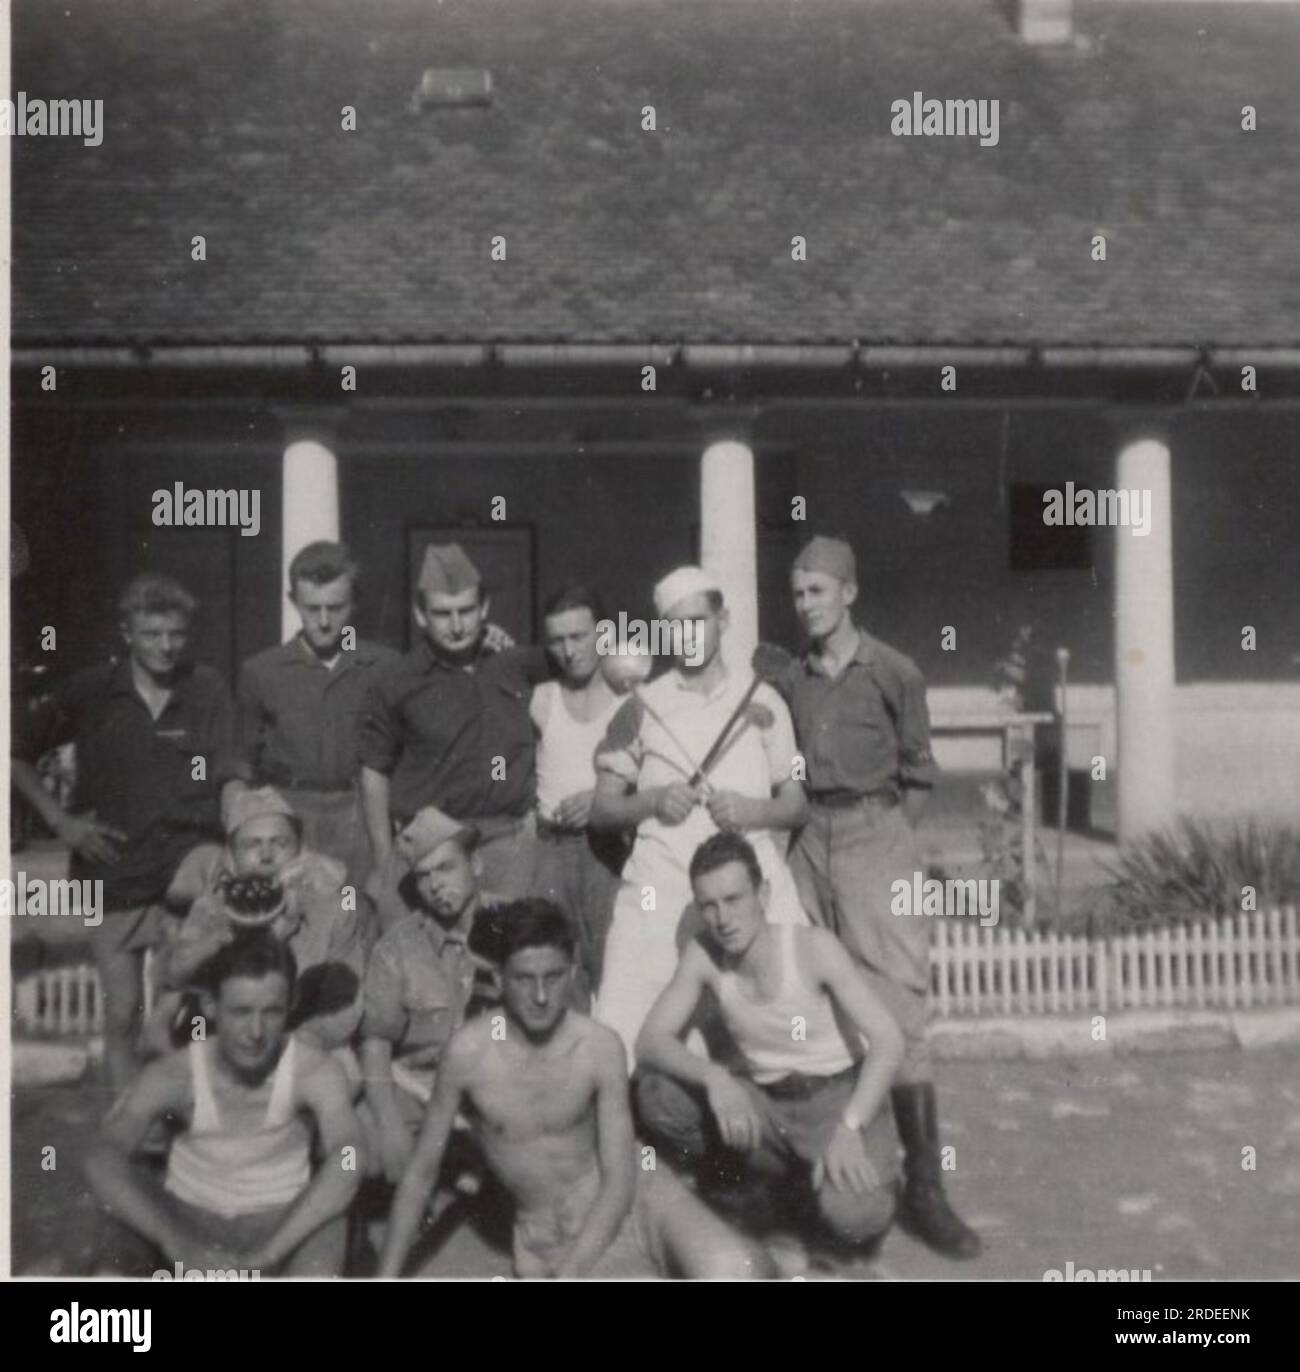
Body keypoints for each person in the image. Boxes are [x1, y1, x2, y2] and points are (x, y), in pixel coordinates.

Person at [768, 533, 980, 1258]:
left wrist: (887, 846)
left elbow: (920, 772)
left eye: (818, 592)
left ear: (849, 593)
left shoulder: (894, 671)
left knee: (896, 1007)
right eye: (797, 594)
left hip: (873, 831)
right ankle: (820, 1180)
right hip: (806, 838)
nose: (806, 606)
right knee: (814, 1000)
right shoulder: (790, 675)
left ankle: (924, 1189)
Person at [379, 899, 772, 1280]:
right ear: (498, 979)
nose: (540, 996)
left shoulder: (599, 1046)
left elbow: (619, 1177)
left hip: (638, 1194)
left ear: (570, 972)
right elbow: (420, 1175)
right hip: (552, 1235)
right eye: (524, 979)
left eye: (553, 977)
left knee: (736, 1268)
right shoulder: (468, 1054)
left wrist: (570, 1274)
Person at [10, 574, 242, 1090]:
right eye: (152, 634)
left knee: (196, 983)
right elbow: (16, 752)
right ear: (126, 633)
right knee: (121, 1014)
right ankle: (127, 1123)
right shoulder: (92, 690)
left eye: (176, 634)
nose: (165, 646)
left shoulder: (205, 688)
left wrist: (238, 834)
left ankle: (190, 1107)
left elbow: (228, 772)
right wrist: (60, 821)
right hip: (108, 865)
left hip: (185, 852)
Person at [636, 832, 904, 1252]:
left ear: (762, 892)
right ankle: (750, 1187)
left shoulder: (812, 949)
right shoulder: (704, 955)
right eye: (709, 905)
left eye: (734, 899)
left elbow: (889, 1040)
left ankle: (846, 1174)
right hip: (768, 1106)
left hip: (837, 1101)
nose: (723, 918)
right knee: (658, 1093)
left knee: (855, 1218)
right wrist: (715, 1079)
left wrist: (851, 1128)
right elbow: (650, 1040)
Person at [589, 566, 809, 1065]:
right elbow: (603, 809)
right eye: (673, 625)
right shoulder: (640, 704)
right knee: (628, 1034)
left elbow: (796, 803)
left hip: (746, 890)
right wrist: (652, 801)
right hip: (660, 890)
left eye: (698, 621)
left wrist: (752, 810)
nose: (687, 636)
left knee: (777, 1034)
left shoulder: (765, 699)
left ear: (723, 620)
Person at [84, 934, 364, 1277]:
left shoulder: (314, 1070)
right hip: (186, 1222)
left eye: (272, 1012)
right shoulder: (175, 1073)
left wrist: (266, 1255)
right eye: (241, 1012)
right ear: (210, 1007)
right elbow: (101, 1155)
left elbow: (351, 1157)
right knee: (111, 1266)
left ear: (291, 1004)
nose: (256, 1031)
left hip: (280, 1225)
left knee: (331, 1221)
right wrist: (178, 1245)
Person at [359, 543, 546, 929]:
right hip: (433, 847)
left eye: (466, 611)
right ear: (419, 615)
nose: (457, 625)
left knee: (507, 953)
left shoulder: (516, 664)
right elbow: (374, 771)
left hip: (507, 840)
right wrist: (383, 859)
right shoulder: (396, 680)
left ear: (484, 608)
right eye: (443, 614)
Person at [229, 541, 398, 899]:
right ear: (292, 601)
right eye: (312, 608)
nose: (323, 621)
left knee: (357, 918)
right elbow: (239, 769)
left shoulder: (383, 667)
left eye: (335, 608)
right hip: (288, 818)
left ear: (354, 603)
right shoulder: (261, 671)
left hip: (360, 817)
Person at [359, 806, 508, 1184]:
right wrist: (389, 1123)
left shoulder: (517, 923)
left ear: (474, 864)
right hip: (422, 1088)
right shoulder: (397, 948)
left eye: (445, 868)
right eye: (423, 877)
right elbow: (376, 1042)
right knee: (366, 1151)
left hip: (502, 1090)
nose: (436, 885)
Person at [156, 787, 364, 1057]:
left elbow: (345, 1008)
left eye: (280, 843)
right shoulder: (211, 907)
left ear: (299, 849)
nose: (266, 856)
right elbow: (176, 977)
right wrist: (225, 937)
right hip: (228, 1045)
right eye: (252, 844)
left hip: (306, 1047)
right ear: (231, 856)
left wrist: (294, 1046)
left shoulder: (334, 909)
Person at [530, 584, 627, 997]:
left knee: (614, 964)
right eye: (556, 640)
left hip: (610, 851)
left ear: (603, 634)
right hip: (551, 851)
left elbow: (652, 777)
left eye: (578, 636)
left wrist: (600, 800)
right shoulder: (542, 699)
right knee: (558, 970)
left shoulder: (631, 699)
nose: (568, 651)